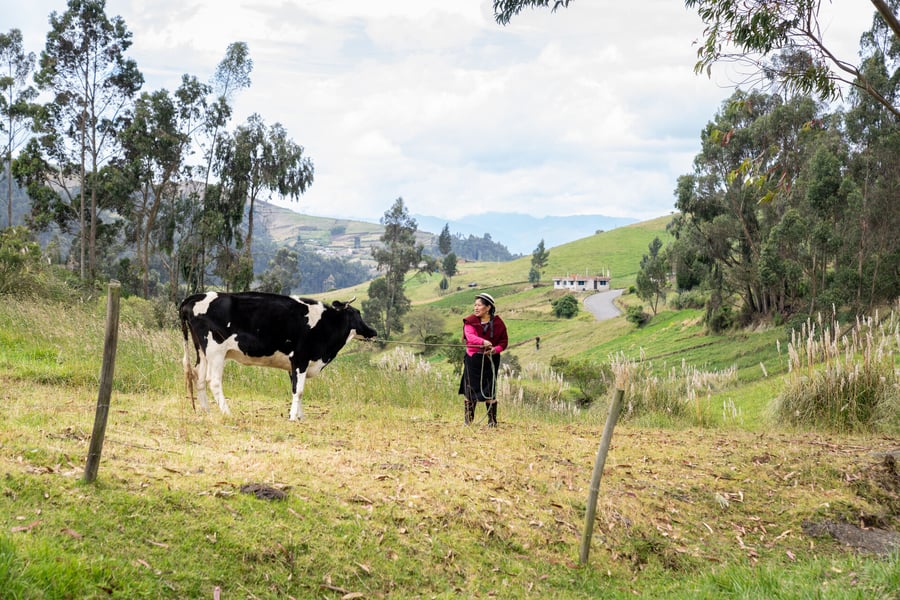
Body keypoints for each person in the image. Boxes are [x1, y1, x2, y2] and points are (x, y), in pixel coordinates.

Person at [458, 292, 508, 427]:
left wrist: (495, 349)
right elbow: (470, 337)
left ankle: (492, 422)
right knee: (470, 389)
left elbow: (503, 342)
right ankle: (468, 421)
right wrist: (483, 342)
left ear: (488, 307)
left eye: (479, 305)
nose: (476, 308)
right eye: (475, 305)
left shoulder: (498, 323)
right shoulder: (470, 321)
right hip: (473, 359)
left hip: (490, 360)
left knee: (489, 390)